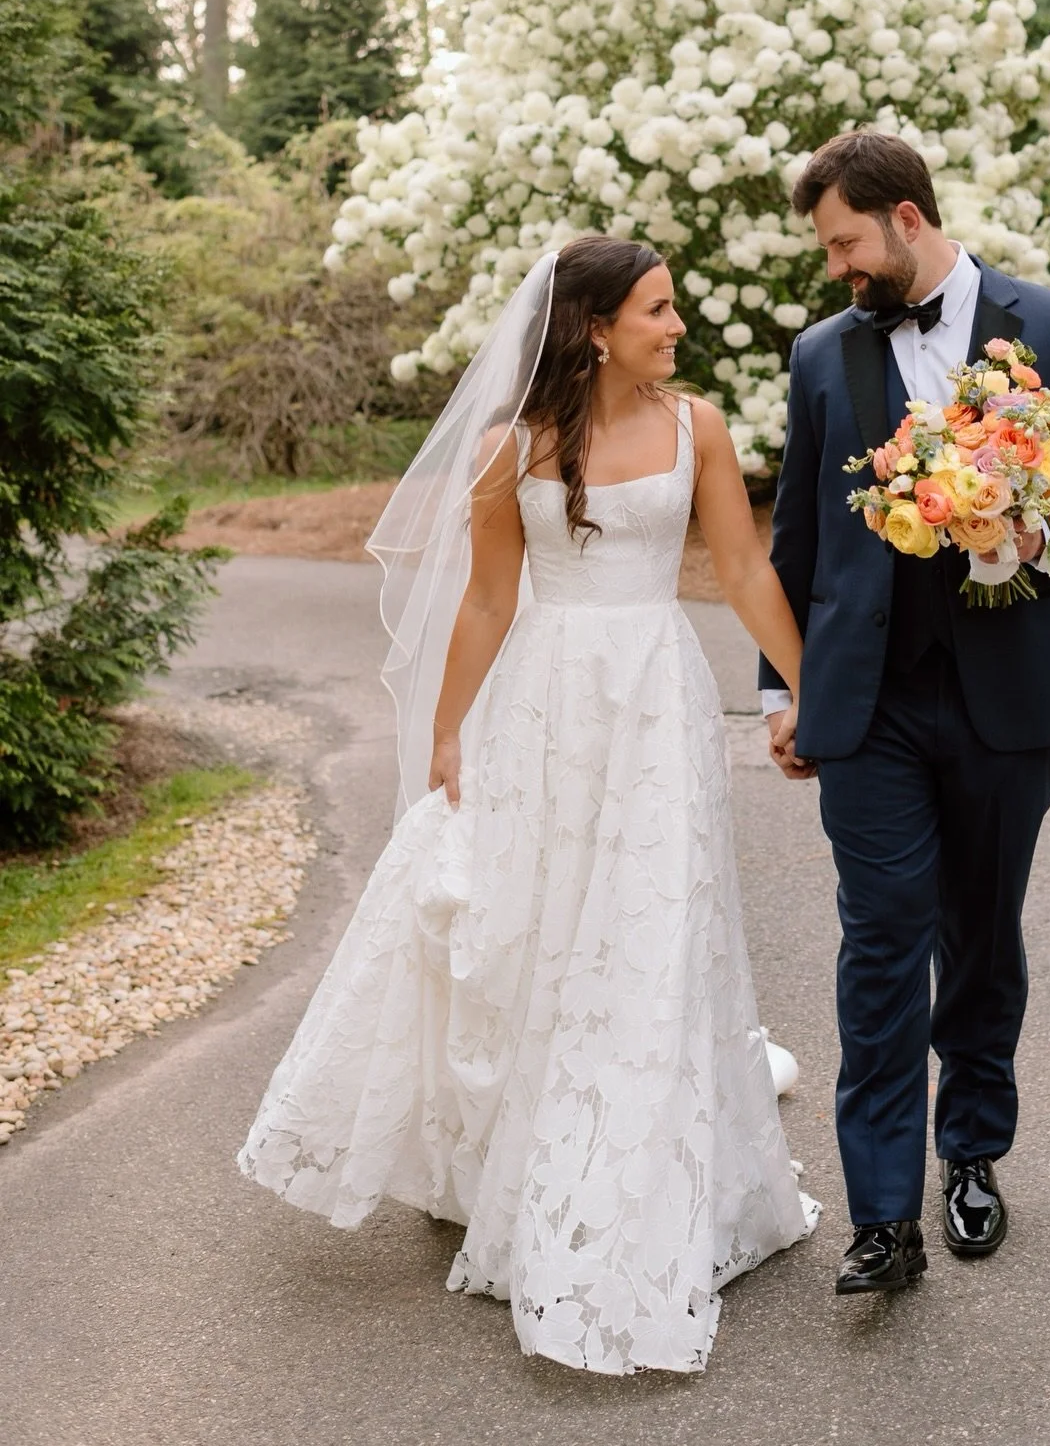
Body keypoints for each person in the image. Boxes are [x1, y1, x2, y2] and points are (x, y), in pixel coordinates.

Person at [239, 236, 817, 1376]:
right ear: (596, 327)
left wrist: (810, 684)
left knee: (651, 928)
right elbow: (490, 601)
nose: (678, 326)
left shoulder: (698, 426)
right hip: (542, 703)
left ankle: (633, 1168)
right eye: (659, 309)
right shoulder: (512, 449)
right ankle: (525, 1146)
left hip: (654, 699)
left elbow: (745, 569)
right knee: (540, 919)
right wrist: (451, 729)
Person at [759, 132, 1050, 1295]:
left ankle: (971, 1152)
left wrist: (1041, 534)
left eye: (846, 244)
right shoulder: (823, 355)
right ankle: (881, 1214)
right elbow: (792, 534)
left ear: (909, 220)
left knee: (979, 935)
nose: (839, 269)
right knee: (881, 937)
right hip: (868, 698)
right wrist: (781, 686)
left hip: (1008, 690)